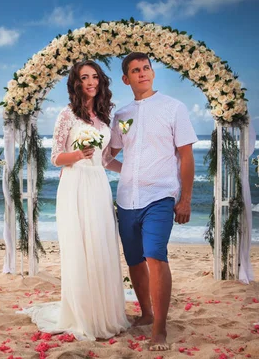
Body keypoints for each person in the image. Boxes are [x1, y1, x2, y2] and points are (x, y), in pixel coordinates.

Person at [20, 60, 130, 341]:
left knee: (101, 244)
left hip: (98, 186)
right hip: (75, 184)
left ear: (100, 81)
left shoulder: (105, 117)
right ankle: (82, 316)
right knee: (80, 247)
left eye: (95, 77)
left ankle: (103, 313)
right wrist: (78, 154)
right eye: (84, 77)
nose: (91, 82)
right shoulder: (66, 114)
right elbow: (56, 156)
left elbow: (105, 160)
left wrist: (131, 167)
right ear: (76, 82)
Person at [108, 52, 197, 351]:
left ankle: (160, 328)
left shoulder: (174, 108)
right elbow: (110, 156)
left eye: (146, 68)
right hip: (126, 199)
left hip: (160, 195)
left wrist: (185, 199)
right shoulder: (121, 116)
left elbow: (186, 156)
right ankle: (146, 313)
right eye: (135, 70)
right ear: (126, 78)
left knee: (155, 256)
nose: (142, 73)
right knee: (134, 260)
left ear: (153, 72)